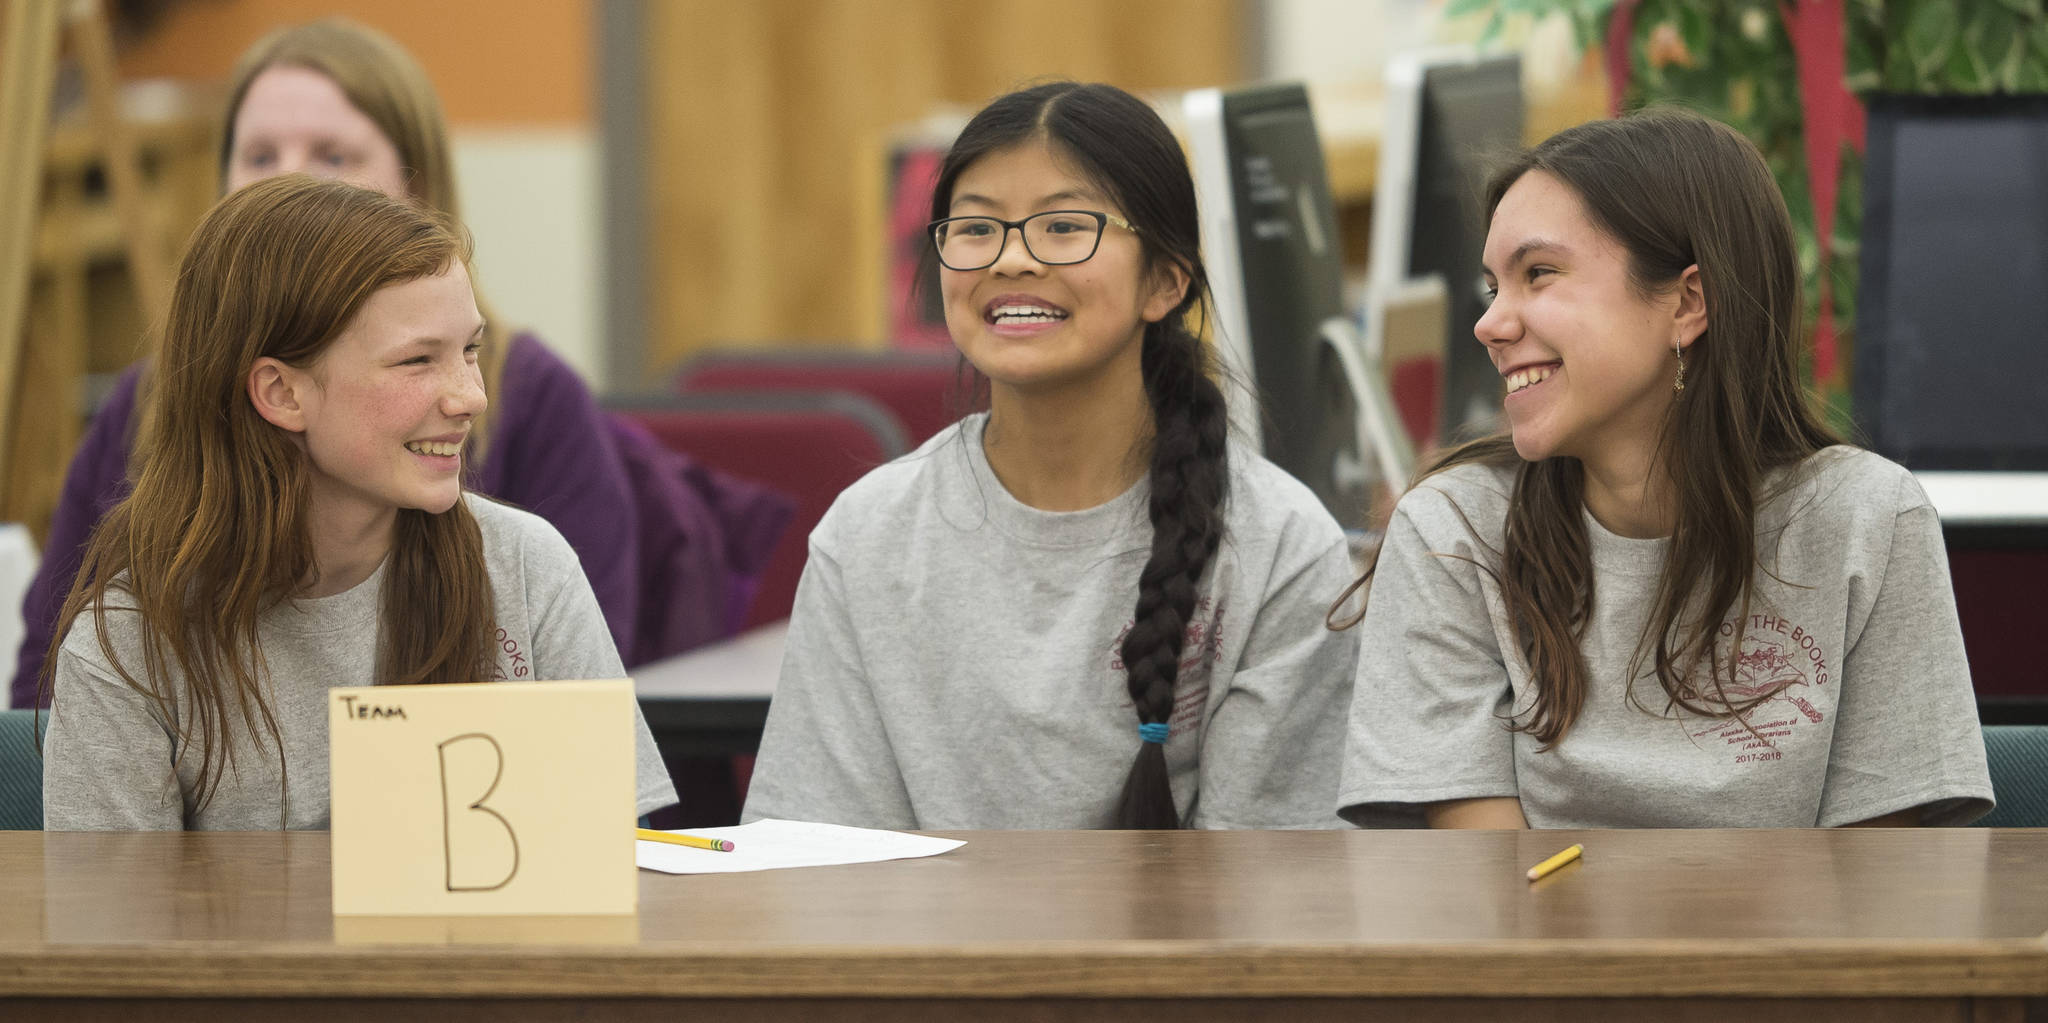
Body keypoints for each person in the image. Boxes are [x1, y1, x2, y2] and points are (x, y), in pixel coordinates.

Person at [1337, 109, 1993, 829]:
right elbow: (1493, 898)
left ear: (1687, 304)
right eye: (1496, 287)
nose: (1489, 324)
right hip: (1541, 942)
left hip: (1801, 947)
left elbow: (1882, 897)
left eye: (1539, 274)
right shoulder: (1454, 530)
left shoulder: (1868, 519)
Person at [743, 82, 1359, 830]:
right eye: (975, 229)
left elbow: (1272, 893)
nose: (1012, 261)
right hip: (919, 947)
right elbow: (817, 863)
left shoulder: (1279, 545)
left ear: (1166, 280)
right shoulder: (867, 535)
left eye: (1064, 226)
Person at [12, 18, 650, 706]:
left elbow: (574, 694)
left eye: (333, 155)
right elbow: (49, 695)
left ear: (417, 186)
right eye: (259, 154)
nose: (289, 178)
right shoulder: (148, 402)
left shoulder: (530, 410)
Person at [40, 175, 677, 829]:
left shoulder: (523, 565)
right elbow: (112, 928)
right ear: (282, 393)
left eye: (470, 350)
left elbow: (621, 870)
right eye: (417, 361)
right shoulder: (133, 642)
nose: (470, 397)